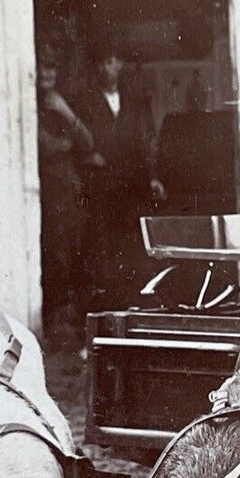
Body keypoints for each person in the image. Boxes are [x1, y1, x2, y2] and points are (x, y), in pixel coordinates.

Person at [73, 42, 164, 313]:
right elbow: (78, 142)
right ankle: (108, 310)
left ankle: (135, 308)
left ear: (120, 65)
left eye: (111, 61)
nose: (106, 68)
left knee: (134, 247)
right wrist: (88, 159)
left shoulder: (135, 99)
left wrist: (152, 178)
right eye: (101, 62)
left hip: (131, 186)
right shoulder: (85, 101)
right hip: (101, 188)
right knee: (104, 252)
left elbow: (147, 143)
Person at [34, 33, 96, 339]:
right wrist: (66, 143)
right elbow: (46, 146)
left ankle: (68, 321)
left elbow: (87, 142)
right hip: (48, 192)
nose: (47, 74)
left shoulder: (58, 103)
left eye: (52, 69)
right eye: (42, 68)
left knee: (73, 251)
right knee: (54, 253)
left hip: (69, 190)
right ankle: (55, 322)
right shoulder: (31, 107)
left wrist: (65, 111)